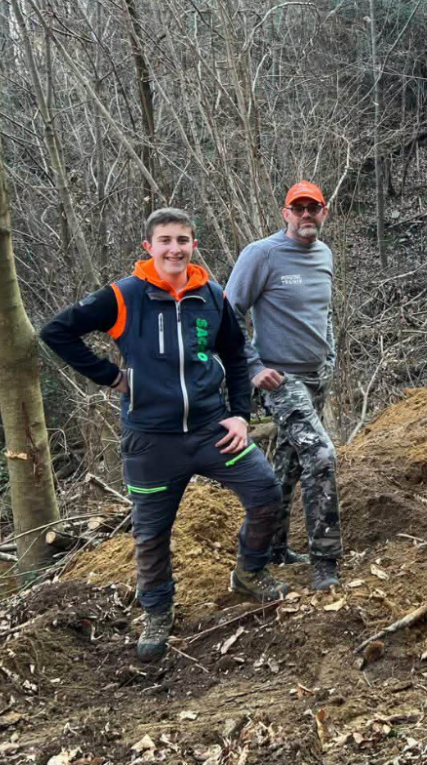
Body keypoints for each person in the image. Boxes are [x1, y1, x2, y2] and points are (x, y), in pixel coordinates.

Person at [41, 208, 286, 663]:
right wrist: (112, 377)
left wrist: (239, 415)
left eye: (183, 240)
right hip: (151, 438)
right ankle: (157, 610)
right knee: (151, 532)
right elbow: (57, 331)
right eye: (166, 240)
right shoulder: (124, 295)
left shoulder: (212, 296)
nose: (175, 249)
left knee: (266, 492)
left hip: (213, 430)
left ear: (194, 245)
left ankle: (250, 573)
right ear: (149, 247)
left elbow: (236, 357)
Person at [226, 181, 342, 592]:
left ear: (324, 212)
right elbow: (227, 313)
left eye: (314, 207)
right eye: (299, 208)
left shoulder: (324, 254)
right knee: (322, 456)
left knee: (290, 463)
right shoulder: (262, 254)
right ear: (286, 213)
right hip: (280, 379)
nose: (306, 214)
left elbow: (324, 312)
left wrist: (329, 357)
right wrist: (253, 366)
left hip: (315, 376)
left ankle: (272, 548)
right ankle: (325, 563)